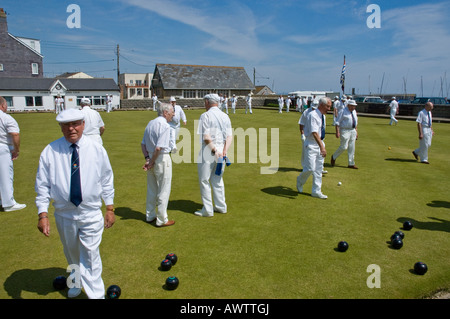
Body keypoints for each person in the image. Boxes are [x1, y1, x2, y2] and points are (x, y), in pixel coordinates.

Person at [35, 108, 115, 299]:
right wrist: (42, 214)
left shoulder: (96, 149)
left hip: (90, 212)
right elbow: (42, 185)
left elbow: (106, 179)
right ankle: (75, 282)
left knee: (90, 254)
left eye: (75, 124)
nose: (72, 129)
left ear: (83, 125)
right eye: (66, 125)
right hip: (64, 214)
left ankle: (96, 295)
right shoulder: (50, 151)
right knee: (71, 252)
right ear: (61, 127)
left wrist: (110, 207)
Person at [195, 94, 233, 217]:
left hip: (209, 150)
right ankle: (221, 206)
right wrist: (224, 151)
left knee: (204, 180)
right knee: (217, 179)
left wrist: (214, 150)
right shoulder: (225, 116)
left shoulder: (205, 116)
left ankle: (208, 210)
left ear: (207, 102)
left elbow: (206, 137)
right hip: (222, 150)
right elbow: (229, 136)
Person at [141, 103, 175, 227]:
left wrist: (147, 159)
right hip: (160, 159)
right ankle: (162, 219)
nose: (173, 114)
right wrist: (152, 161)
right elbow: (159, 147)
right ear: (165, 112)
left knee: (152, 188)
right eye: (172, 112)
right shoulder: (165, 126)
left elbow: (143, 144)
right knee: (163, 189)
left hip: (151, 157)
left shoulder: (150, 123)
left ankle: (150, 215)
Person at [296, 97, 331, 199]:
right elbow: (314, 133)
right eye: (327, 106)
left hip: (320, 143)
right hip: (311, 144)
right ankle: (300, 181)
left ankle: (316, 191)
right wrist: (322, 147)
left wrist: (322, 145)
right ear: (321, 105)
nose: (329, 109)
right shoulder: (313, 115)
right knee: (310, 168)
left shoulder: (322, 116)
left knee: (318, 169)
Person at [0, 96, 26, 212]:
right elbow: (15, 134)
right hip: (3, 148)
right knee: (6, 176)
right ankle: (9, 204)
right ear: (3, 105)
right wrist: (16, 150)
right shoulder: (6, 118)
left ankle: (2, 200)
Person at [331, 100, 359, 169]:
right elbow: (337, 122)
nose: (353, 107)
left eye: (354, 106)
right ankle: (334, 156)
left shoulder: (354, 112)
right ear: (348, 105)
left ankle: (351, 163)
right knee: (344, 147)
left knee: (352, 147)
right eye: (352, 106)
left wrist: (356, 131)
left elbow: (355, 121)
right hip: (345, 130)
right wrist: (337, 132)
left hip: (352, 130)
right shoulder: (342, 111)